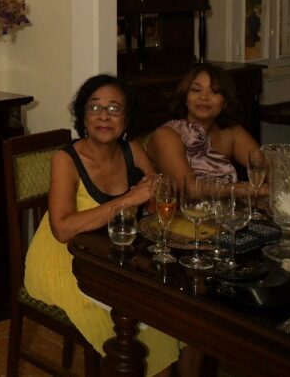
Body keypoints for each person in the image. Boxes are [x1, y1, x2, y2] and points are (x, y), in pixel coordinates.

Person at [23, 74, 186, 376]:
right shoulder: (65, 159)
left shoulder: (132, 150)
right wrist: (129, 199)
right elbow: (62, 229)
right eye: (95, 107)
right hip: (64, 260)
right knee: (130, 330)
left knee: (167, 316)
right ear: (83, 116)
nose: (104, 116)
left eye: (114, 109)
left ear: (126, 118)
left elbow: (157, 197)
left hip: (113, 256)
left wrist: (155, 194)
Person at [146, 64, 262, 196]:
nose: (204, 97)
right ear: (185, 98)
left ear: (225, 102)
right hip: (181, 208)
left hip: (225, 207)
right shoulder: (166, 135)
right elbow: (189, 189)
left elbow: (266, 167)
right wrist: (249, 189)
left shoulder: (231, 132)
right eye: (196, 90)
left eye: (214, 92)